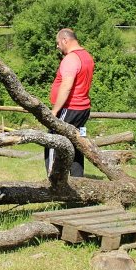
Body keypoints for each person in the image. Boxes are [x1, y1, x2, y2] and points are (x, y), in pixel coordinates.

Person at [44, 28, 95, 178]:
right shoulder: (86, 56)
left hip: (69, 109)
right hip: (83, 110)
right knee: (77, 144)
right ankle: (78, 180)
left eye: (58, 43)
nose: (57, 46)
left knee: (53, 142)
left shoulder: (71, 59)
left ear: (65, 40)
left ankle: (53, 182)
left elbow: (66, 86)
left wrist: (54, 111)